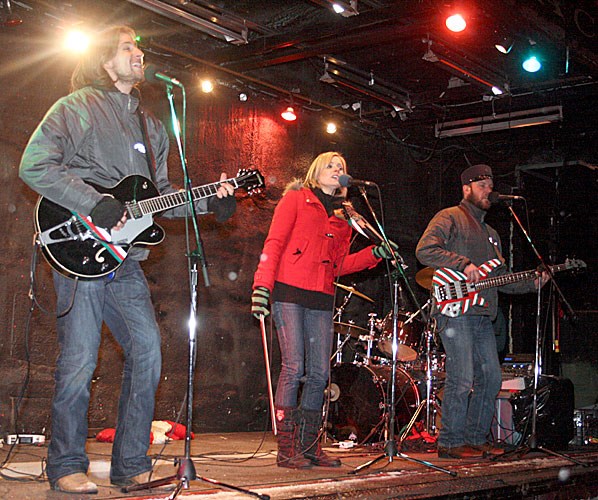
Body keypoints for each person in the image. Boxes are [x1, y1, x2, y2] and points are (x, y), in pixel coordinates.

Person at [19, 26, 236, 493]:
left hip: (127, 259)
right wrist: (90, 200)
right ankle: (65, 466)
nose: (138, 54)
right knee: (79, 360)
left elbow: (159, 198)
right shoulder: (75, 108)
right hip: (78, 249)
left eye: (139, 47)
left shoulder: (150, 125)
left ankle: (131, 463)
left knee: (148, 352)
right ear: (104, 61)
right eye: (127, 48)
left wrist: (209, 201)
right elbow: (34, 164)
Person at [251, 151, 397, 468]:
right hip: (289, 291)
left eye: (341, 166)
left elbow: (339, 265)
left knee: (319, 374)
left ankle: (310, 445)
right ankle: (286, 449)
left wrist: (374, 253)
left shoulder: (343, 217)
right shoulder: (296, 198)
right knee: (294, 367)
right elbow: (274, 242)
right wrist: (262, 285)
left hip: (320, 296)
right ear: (316, 172)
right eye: (330, 165)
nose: (336, 169)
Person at [415, 164, 548, 459]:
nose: (489, 190)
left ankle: (474, 438)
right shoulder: (449, 217)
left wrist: (532, 284)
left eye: (490, 185)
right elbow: (424, 250)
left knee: (490, 378)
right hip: (455, 310)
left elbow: (501, 280)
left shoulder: (492, 235)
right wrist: (462, 264)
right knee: (462, 377)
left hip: (482, 314)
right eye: (482, 185)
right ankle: (450, 442)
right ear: (466, 189)